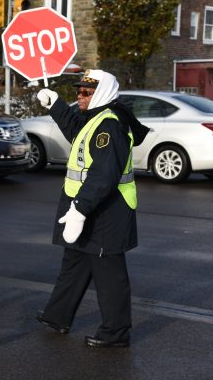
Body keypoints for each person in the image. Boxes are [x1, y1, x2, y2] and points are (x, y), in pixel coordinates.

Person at [34, 70, 149, 348]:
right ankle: (57, 316)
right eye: (79, 91)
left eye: (86, 92)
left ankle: (116, 332)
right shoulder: (96, 119)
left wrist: (79, 210)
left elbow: (103, 175)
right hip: (86, 208)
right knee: (74, 264)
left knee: (109, 275)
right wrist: (56, 105)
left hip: (106, 212)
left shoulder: (110, 126)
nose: (80, 96)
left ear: (102, 93)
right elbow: (76, 131)